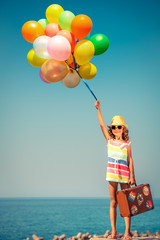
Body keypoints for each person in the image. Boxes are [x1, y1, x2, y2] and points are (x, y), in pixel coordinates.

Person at [95, 100, 136, 240]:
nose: (116, 129)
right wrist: (98, 109)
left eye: (119, 127)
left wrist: (132, 177)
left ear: (123, 129)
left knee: (125, 204)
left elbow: (130, 160)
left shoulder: (127, 144)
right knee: (113, 202)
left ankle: (126, 233)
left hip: (124, 176)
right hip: (112, 175)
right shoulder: (109, 141)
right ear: (111, 129)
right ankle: (113, 232)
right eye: (114, 127)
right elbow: (101, 125)